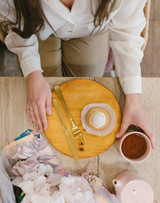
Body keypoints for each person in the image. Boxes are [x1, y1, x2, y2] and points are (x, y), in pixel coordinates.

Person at [0, 0, 155, 150]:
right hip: (35, 29)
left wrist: (133, 99)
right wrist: (33, 73)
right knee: (47, 108)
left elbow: (127, 34)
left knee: (83, 90)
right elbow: (15, 24)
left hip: (92, 30)